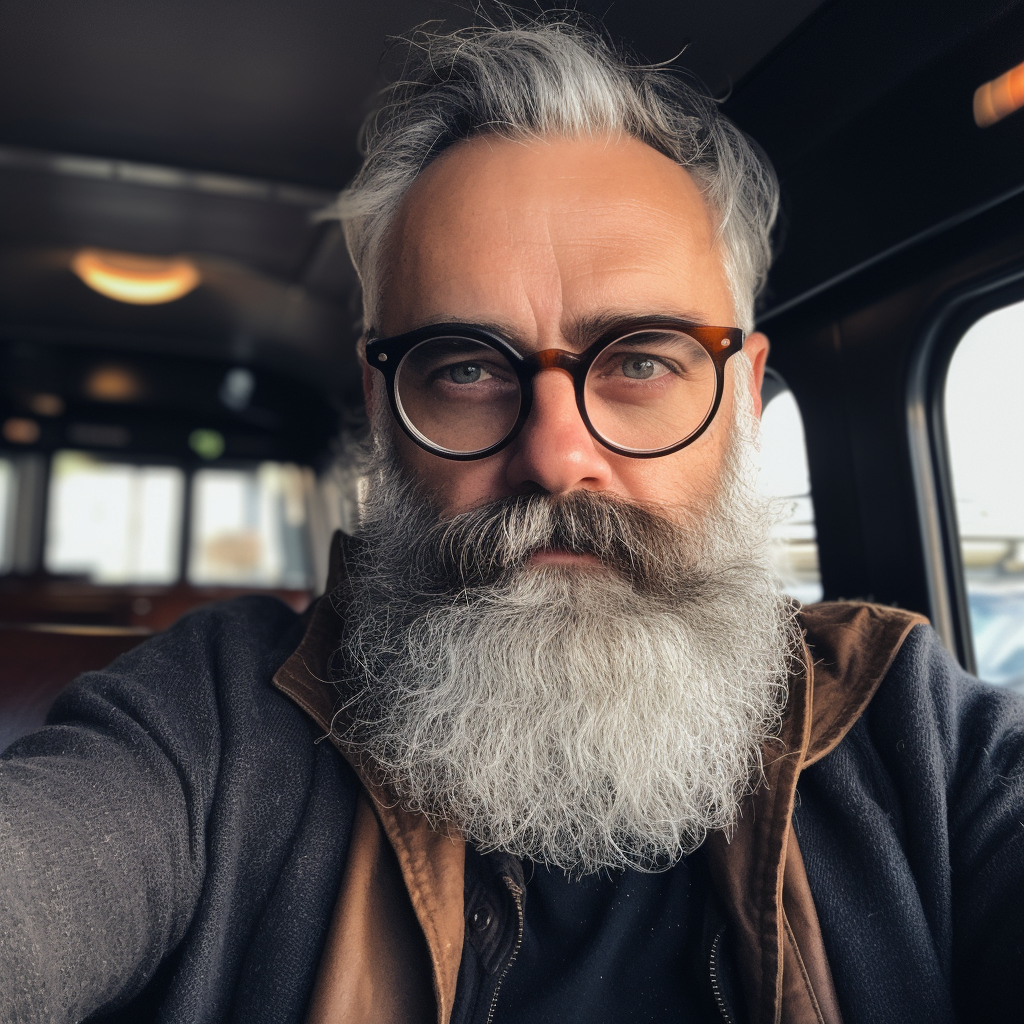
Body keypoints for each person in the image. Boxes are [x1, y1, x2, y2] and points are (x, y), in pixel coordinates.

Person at [2, 17, 1022, 1024]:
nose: (554, 453)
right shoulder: (214, 725)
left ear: (745, 396)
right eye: (465, 368)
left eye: (638, 361)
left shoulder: (924, 744)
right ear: (381, 408)